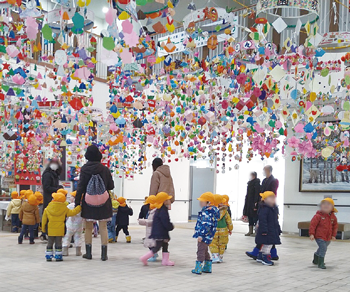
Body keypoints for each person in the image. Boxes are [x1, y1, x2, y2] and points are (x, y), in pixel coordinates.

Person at [75, 145, 114, 261]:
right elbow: (111, 186)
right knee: (103, 227)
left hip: (88, 202)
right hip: (104, 202)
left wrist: (77, 202)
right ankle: (104, 254)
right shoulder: (105, 169)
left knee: (88, 227)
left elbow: (80, 187)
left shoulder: (84, 169)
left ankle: (88, 253)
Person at [246, 165, 280, 260]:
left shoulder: (274, 181)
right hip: (264, 203)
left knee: (268, 234)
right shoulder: (264, 180)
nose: (263, 172)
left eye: (264, 170)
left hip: (268, 205)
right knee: (268, 235)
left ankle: (262, 252)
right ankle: (272, 253)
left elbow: (272, 193)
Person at [42, 192, 81, 262]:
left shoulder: (47, 208)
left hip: (50, 230)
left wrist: (43, 229)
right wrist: (78, 207)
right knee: (58, 242)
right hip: (60, 230)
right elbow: (72, 213)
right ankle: (58, 256)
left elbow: (44, 220)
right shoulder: (64, 208)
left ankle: (48, 256)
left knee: (50, 242)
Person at [140, 192, 174, 266]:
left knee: (165, 245)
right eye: (168, 200)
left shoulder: (158, 209)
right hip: (161, 233)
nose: (169, 201)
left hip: (159, 232)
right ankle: (144, 258)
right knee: (157, 247)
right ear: (164, 201)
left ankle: (165, 260)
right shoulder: (163, 210)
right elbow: (165, 221)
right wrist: (170, 226)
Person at [192, 192, 219, 275]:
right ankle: (207, 266)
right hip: (209, 236)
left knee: (200, 250)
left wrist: (201, 235)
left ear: (208, 202)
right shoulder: (212, 212)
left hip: (204, 236)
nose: (200, 203)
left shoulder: (206, 213)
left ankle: (198, 267)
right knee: (204, 250)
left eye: (202, 201)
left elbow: (205, 225)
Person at [309, 198, 338, 269]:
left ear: (332, 208)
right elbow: (312, 225)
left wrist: (333, 235)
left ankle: (316, 257)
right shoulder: (318, 216)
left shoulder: (333, 217)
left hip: (328, 237)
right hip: (319, 236)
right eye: (324, 204)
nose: (326, 206)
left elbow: (335, 226)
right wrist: (312, 234)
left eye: (328, 204)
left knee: (323, 247)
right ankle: (320, 262)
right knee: (323, 248)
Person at [255, 191, 282, 266]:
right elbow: (262, 220)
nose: (273, 199)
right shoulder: (264, 209)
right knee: (268, 245)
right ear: (265, 200)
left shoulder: (273, 208)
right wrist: (263, 230)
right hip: (266, 231)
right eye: (270, 198)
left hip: (272, 230)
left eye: (273, 198)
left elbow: (275, 221)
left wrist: (278, 229)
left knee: (267, 244)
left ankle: (260, 256)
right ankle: (265, 258)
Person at [41, 158, 62, 241]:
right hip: (48, 198)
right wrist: (57, 189)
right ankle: (45, 233)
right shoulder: (47, 174)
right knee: (47, 216)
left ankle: (51, 233)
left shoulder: (55, 174)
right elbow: (46, 187)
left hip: (54, 198)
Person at [210, 194, 233, 263]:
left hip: (214, 230)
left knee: (213, 243)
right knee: (222, 244)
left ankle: (215, 257)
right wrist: (230, 229)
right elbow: (229, 221)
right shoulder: (225, 211)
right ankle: (220, 257)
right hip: (224, 230)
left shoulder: (211, 211)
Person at [62, 191, 84, 257]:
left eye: (71, 196)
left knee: (67, 237)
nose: (70, 198)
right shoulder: (82, 207)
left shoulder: (70, 206)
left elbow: (66, 215)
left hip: (69, 225)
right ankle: (78, 251)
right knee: (78, 238)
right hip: (79, 225)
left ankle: (65, 251)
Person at [138, 195, 158, 262]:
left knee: (150, 240)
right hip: (156, 226)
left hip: (148, 225)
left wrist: (140, 219)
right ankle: (154, 253)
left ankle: (153, 253)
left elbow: (141, 215)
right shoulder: (158, 207)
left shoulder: (144, 207)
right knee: (154, 241)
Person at [243, 172, 261, 236]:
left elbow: (257, 194)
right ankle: (250, 231)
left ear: (253, 176)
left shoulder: (257, 184)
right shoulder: (249, 183)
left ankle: (256, 232)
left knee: (255, 217)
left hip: (254, 203)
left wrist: (256, 203)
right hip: (249, 203)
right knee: (250, 217)